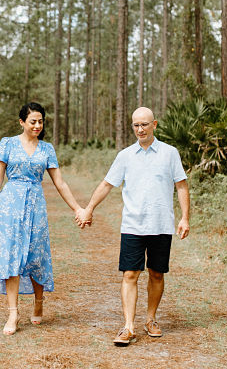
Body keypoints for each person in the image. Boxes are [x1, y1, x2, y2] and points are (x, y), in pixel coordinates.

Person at [75, 106, 190, 346]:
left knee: (157, 273)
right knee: (130, 273)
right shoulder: (125, 156)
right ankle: (128, 327)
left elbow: (181, 186)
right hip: (133, 225)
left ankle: (151, 320)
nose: (140, 129)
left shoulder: (170, 153)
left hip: (161, 225)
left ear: (154, 125)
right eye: (136, 125)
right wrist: (89, 208)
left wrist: (185, 217)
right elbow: (107, 184)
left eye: (145, 124)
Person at [0, 102, 85, 335]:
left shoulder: (47, 149)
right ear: (22, 122)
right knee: (11, 255)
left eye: (40, 121)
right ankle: (13, 313)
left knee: (35, 254)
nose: (37, 125)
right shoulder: (7, 144)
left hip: (36, 204)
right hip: (10, 205)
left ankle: (38, 302)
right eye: (32, 121)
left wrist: (77, 208)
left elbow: (60, 182)